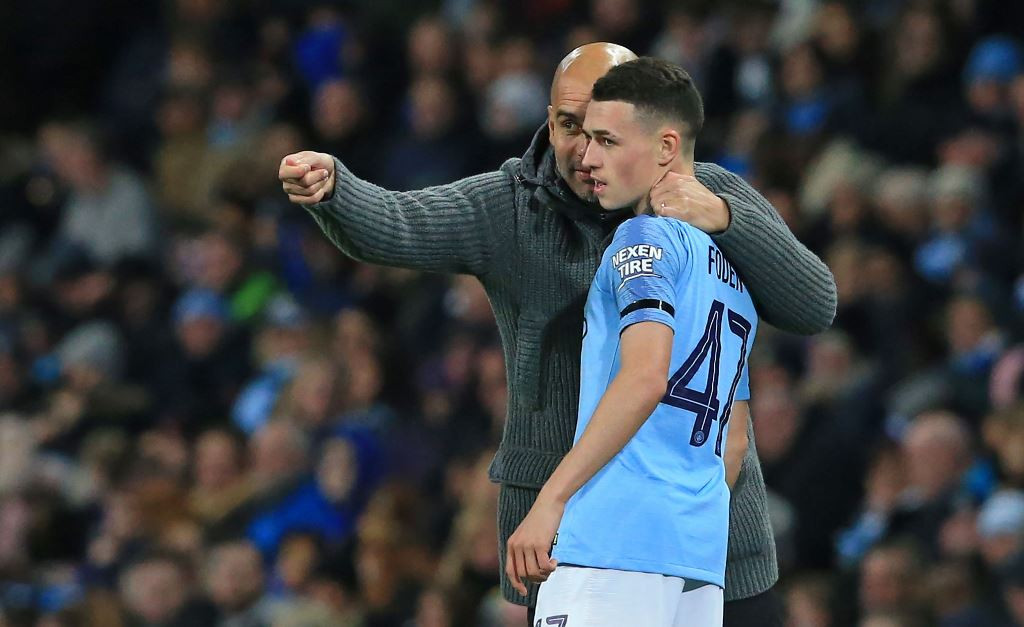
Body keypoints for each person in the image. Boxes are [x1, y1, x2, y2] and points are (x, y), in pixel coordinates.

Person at [279, 42, 835, 626]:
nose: (584, 148)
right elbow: (399, 223)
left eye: (604, 130)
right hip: (588, 537)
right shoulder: (511, 208)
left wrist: (725, 215)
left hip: (688, 545)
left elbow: (812, 304)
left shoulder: (703, 205)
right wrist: (336, 190)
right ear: (548, 121)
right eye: (570, 126)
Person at [507, 56, 755, 627]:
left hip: (610, 548)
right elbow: (733, 440)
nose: (588, 158)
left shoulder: (640, 241)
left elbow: (646, 376)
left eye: (607, 140)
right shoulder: (734, 275)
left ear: (666, 148)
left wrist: (552, 499)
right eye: (586, 138)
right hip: (694, 560)